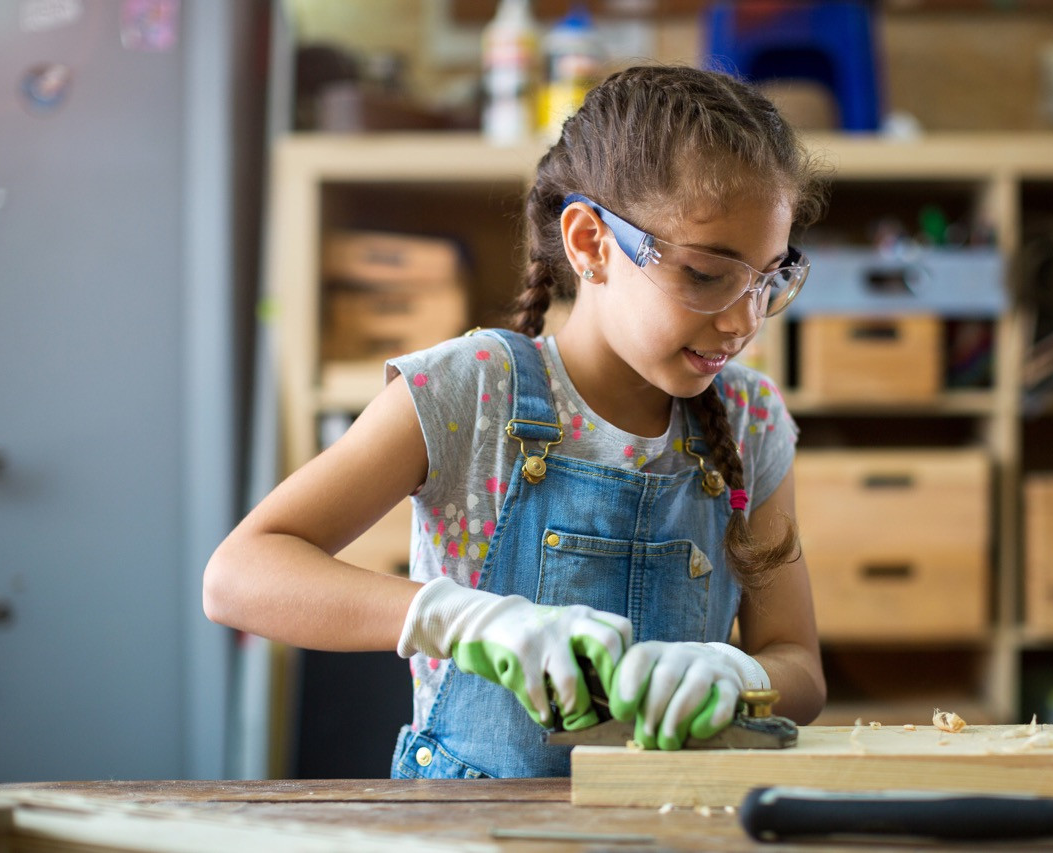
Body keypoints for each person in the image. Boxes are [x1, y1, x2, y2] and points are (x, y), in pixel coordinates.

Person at [203, 64, 826, 779]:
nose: (745, 321)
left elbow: (800, 667)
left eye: (769, 278)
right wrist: (465, 619)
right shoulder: (470, 390)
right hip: (468, 824)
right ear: (590, 243)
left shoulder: (749, 419)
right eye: (708, 275)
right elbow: (238, 576)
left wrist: (738, 673)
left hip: (669, 820)